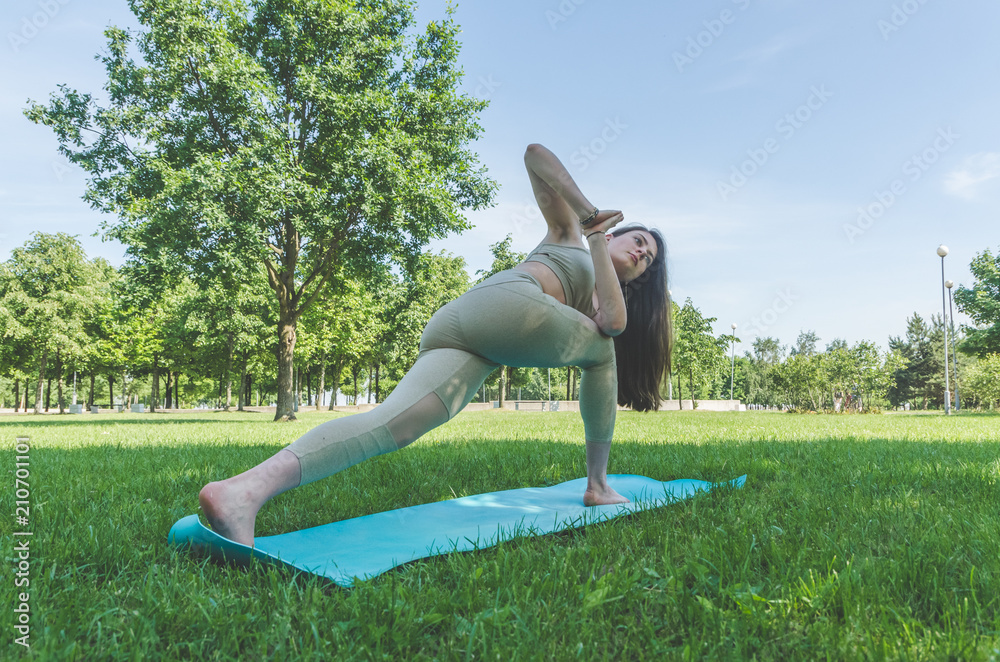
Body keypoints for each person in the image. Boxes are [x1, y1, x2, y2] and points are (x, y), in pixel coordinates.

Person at [199, 143, 672, 546]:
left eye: (646, 259)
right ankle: (597, 483)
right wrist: (587, 215)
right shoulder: (568, 233)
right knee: (602, 352)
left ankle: (242, 492)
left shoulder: (601, 281)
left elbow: (611, 321)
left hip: (470, 337)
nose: (639, 253)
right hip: (505, 302)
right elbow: (534, 155)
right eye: (636, 241)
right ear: (614, 231)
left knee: (391, 427)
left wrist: (597, 244)